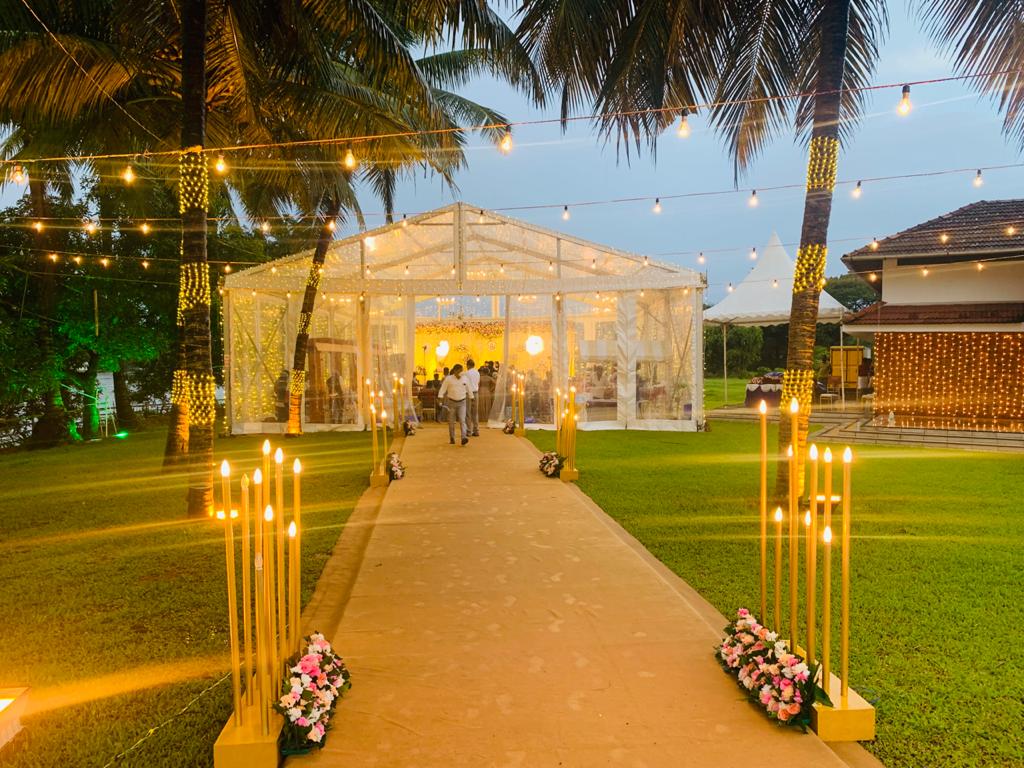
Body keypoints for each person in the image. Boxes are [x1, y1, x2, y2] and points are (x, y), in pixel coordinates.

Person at [437, 363, 469, 445]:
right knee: (451, 422)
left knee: (462, 420)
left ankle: (464, 437)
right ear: (455, 371)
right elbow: (442, 389)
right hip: (451, 402)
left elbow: (468, 388)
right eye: (459, 371)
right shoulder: (448, 379)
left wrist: (472, 397)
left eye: (462, 371)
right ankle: (452, 437)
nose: (461, 373)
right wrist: (440, 398)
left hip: (462, 402)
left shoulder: (465, 378)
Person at [463, 358, 481, 436]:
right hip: (476, 393)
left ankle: (468, 431)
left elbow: (464, 384)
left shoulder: (466, 373)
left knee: (468, 413)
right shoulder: (477, 373)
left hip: (468, 394)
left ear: (468, 365)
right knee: (475, 413)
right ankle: (476, 430)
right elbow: (478, 383)